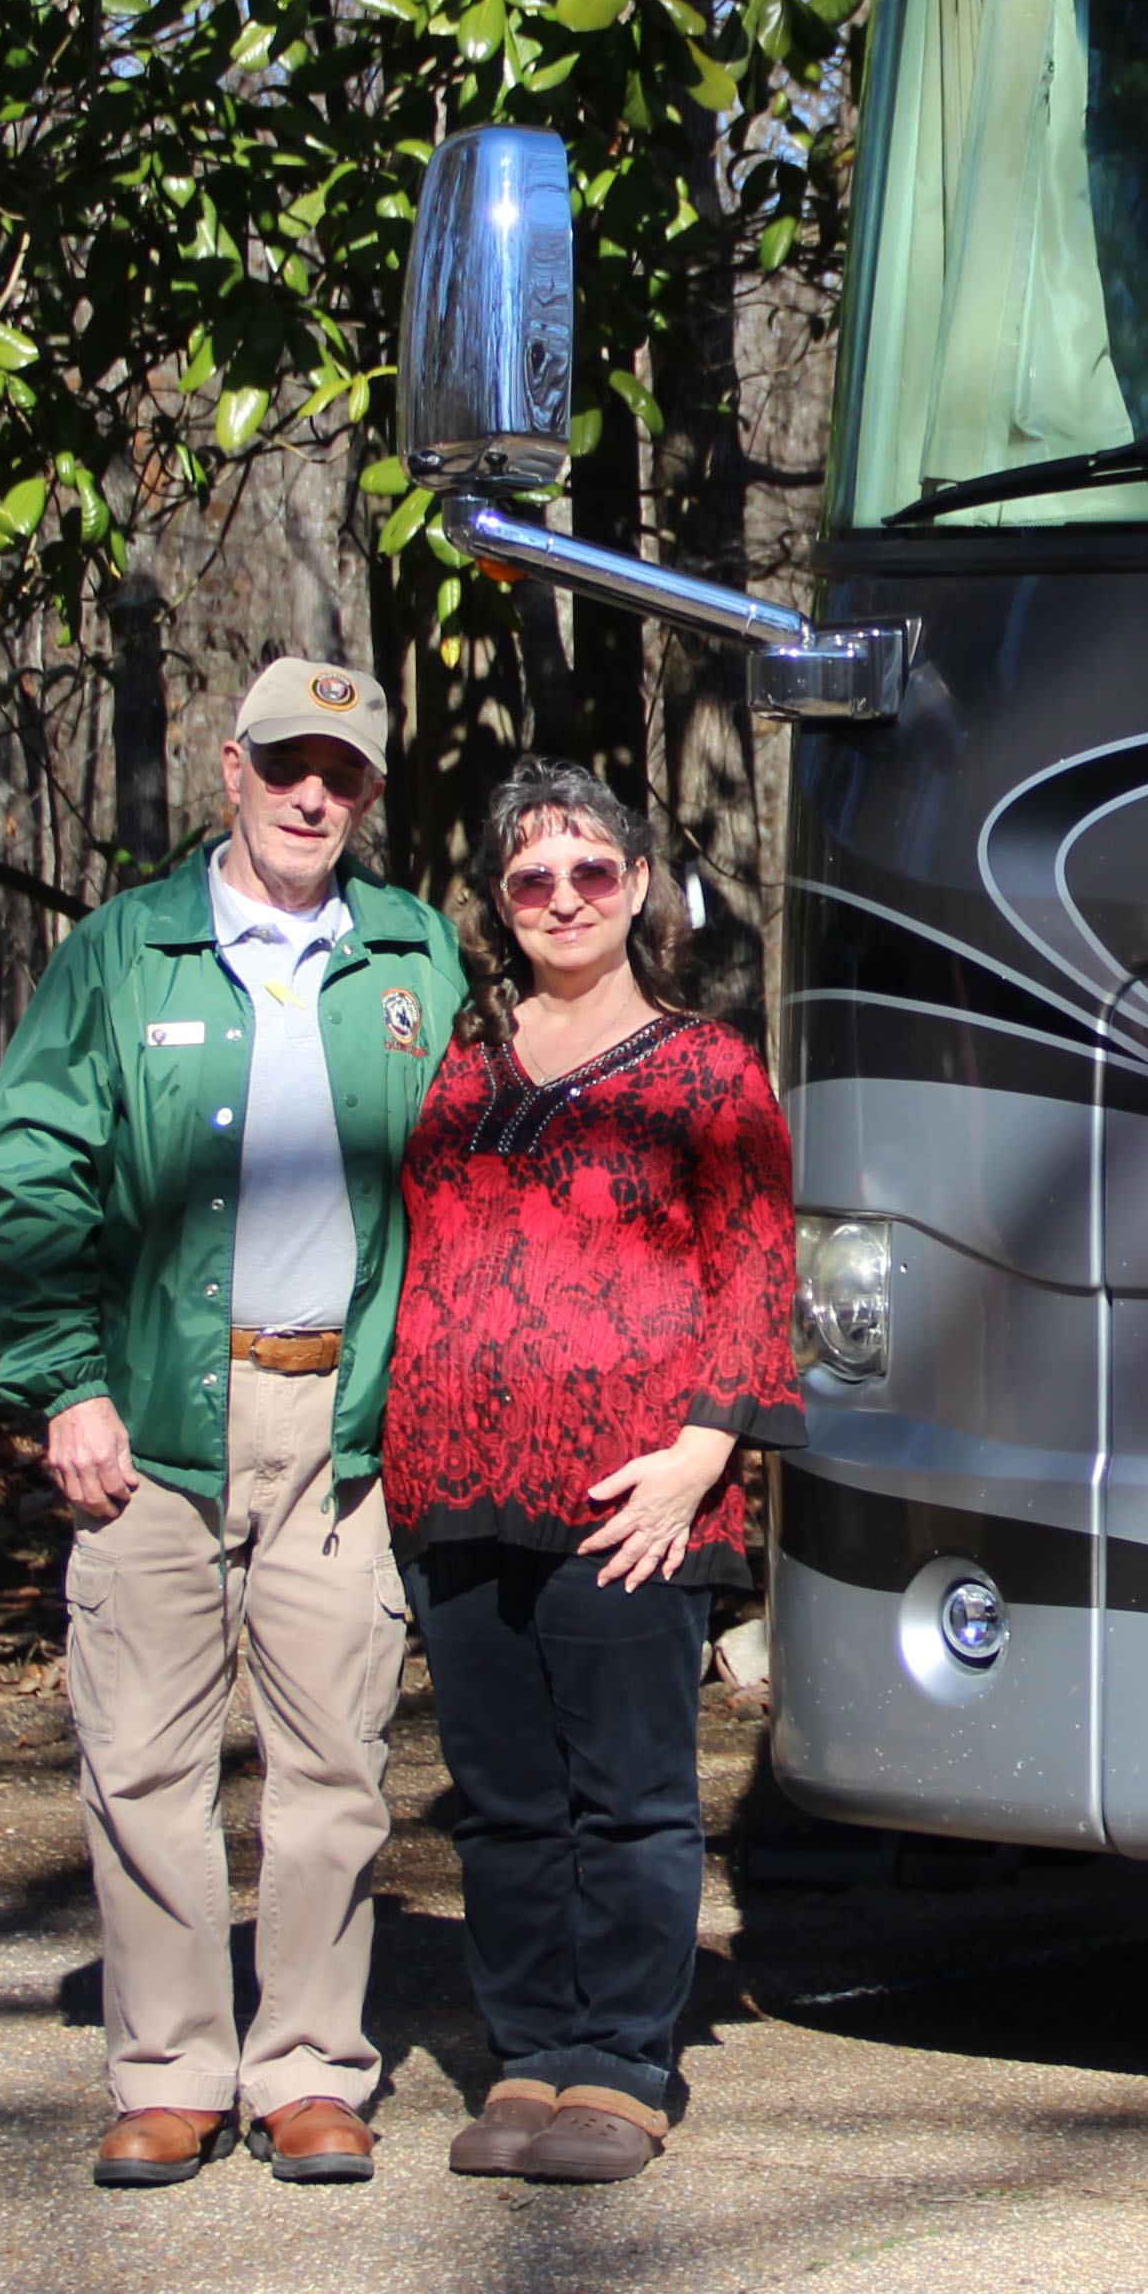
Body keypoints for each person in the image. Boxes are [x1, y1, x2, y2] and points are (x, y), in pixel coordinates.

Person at [0, 658, 465, 2188]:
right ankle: (171, 2070)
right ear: (232, 773)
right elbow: (31, 1171)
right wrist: (65, 1380)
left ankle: (312, 2070)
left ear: (370, 795)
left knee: (334, 1769)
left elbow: (461, 1187)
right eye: (287, 766)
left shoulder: (413, 954)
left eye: (347, 774)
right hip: (159, 1409)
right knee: (141, 1765)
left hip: (345, 1422)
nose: (315, 795)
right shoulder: (128, 954)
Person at [383, 758, 801, 2185]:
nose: (563, 897)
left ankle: (622, 2065)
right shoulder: (454, 1060)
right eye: (530, 878)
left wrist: (700, 1460)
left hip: (635, 1490)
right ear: (502, 905)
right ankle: (529, 2054)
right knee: (503, 1798)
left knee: (627, 1795)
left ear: (638, 889)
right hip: (454, 1475)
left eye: (590, 871)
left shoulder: (705, 1066)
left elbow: (758, 1268)